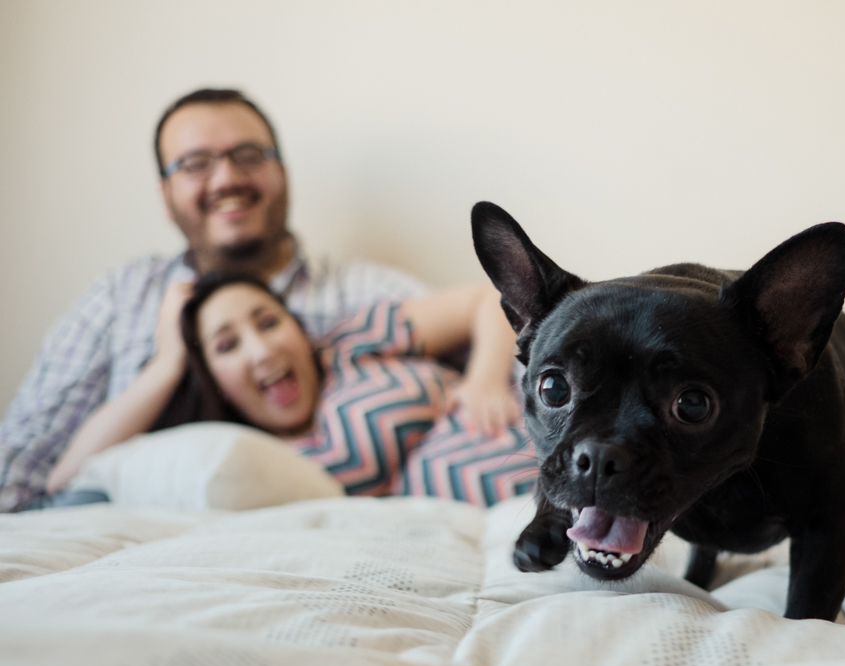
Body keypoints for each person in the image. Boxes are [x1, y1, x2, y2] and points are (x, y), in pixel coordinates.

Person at [0, 88, 437, 512]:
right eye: (195, 164)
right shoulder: (120, 299)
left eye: (248, 156)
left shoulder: (369, 295)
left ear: (282, 172)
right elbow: (18, 481)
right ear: (165, 196)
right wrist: (166, 366)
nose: (227, 178)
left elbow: (495, 359)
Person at [47, 272, 536, 506]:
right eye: (226, 345)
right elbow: (68, 479)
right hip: (506, 532)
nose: (261, 351)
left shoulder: (351, 343)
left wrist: (483, 380)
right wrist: (168, 362)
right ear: (211, 378)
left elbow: (485, 300)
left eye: (268, 322)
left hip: (550, 467)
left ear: (298, 328)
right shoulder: (238, 458)